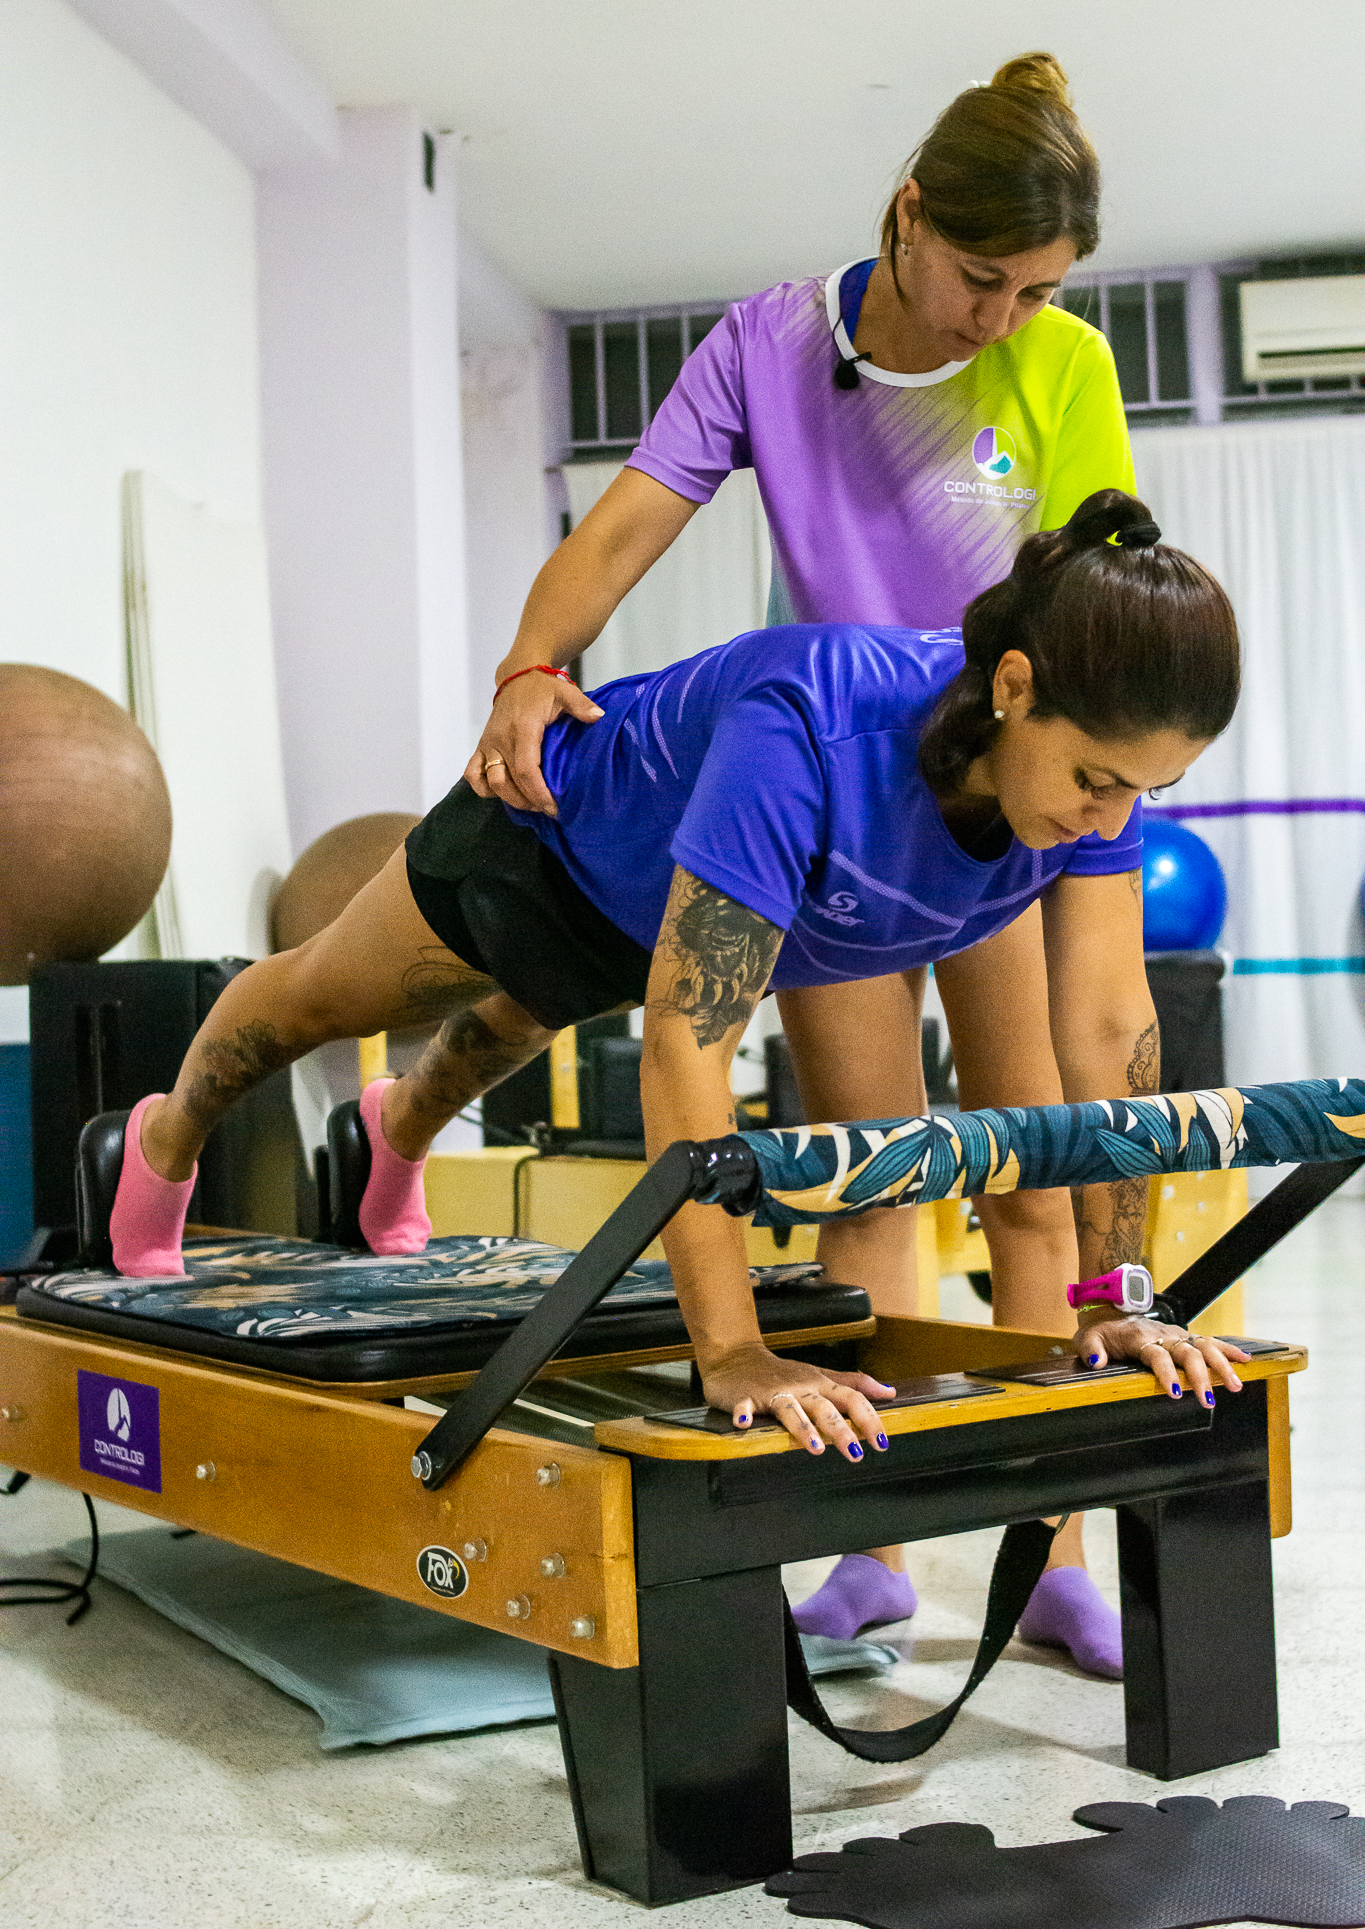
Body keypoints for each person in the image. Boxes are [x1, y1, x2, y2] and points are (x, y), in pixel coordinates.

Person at [106, 494, 1247, 1575]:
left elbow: (1110, 1031)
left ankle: (394, 1129)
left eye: (1143, 791)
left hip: (675, 911)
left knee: (506, 1030)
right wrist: (732, 1350)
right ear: (1013, 685)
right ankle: (165, 1137)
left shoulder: (1088, 793)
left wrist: (1122, 1295)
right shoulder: (808, 725)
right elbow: (689, 1044)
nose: (1109, 817)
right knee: (321, 999)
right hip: (549, 847)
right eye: (1096, 780)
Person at [464, 51, 1139, 1660]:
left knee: (1029, 1171)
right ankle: (871, 1545)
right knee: (866, 1168)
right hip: (835, 799)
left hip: (990, 800)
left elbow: (1100, 603)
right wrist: (530, 667)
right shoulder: (774, 341)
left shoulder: (1060, 364)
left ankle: (1049, 1551)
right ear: (908, 218)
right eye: (980, 278)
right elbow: (627, 520)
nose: (1002, 319)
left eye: (1036, 290)